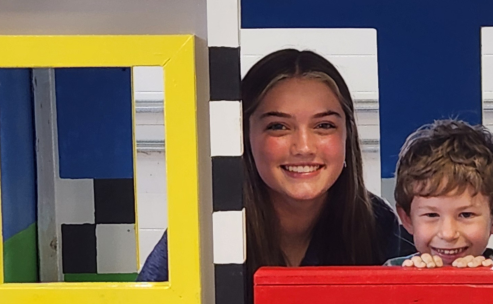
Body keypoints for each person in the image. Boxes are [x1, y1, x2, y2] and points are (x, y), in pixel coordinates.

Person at [137, 49, 413, 281]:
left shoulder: (378, 225)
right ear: (243, 135)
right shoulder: (203, 230)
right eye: (278, 127)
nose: (304, 147)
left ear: (347, 135)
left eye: (324, 125)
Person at [385, 119, 493, 268]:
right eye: (431, 215)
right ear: (407, 219)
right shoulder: (388, 276)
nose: (448, 234)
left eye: (466, 215)